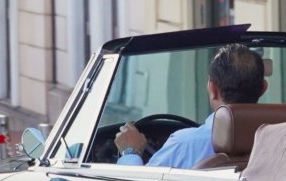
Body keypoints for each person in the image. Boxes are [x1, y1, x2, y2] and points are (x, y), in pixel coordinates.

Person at [114, 42, 266, 168]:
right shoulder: (281, 142)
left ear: (212, 89)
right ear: (263, 88)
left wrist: (130, 153)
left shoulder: (184, 145)